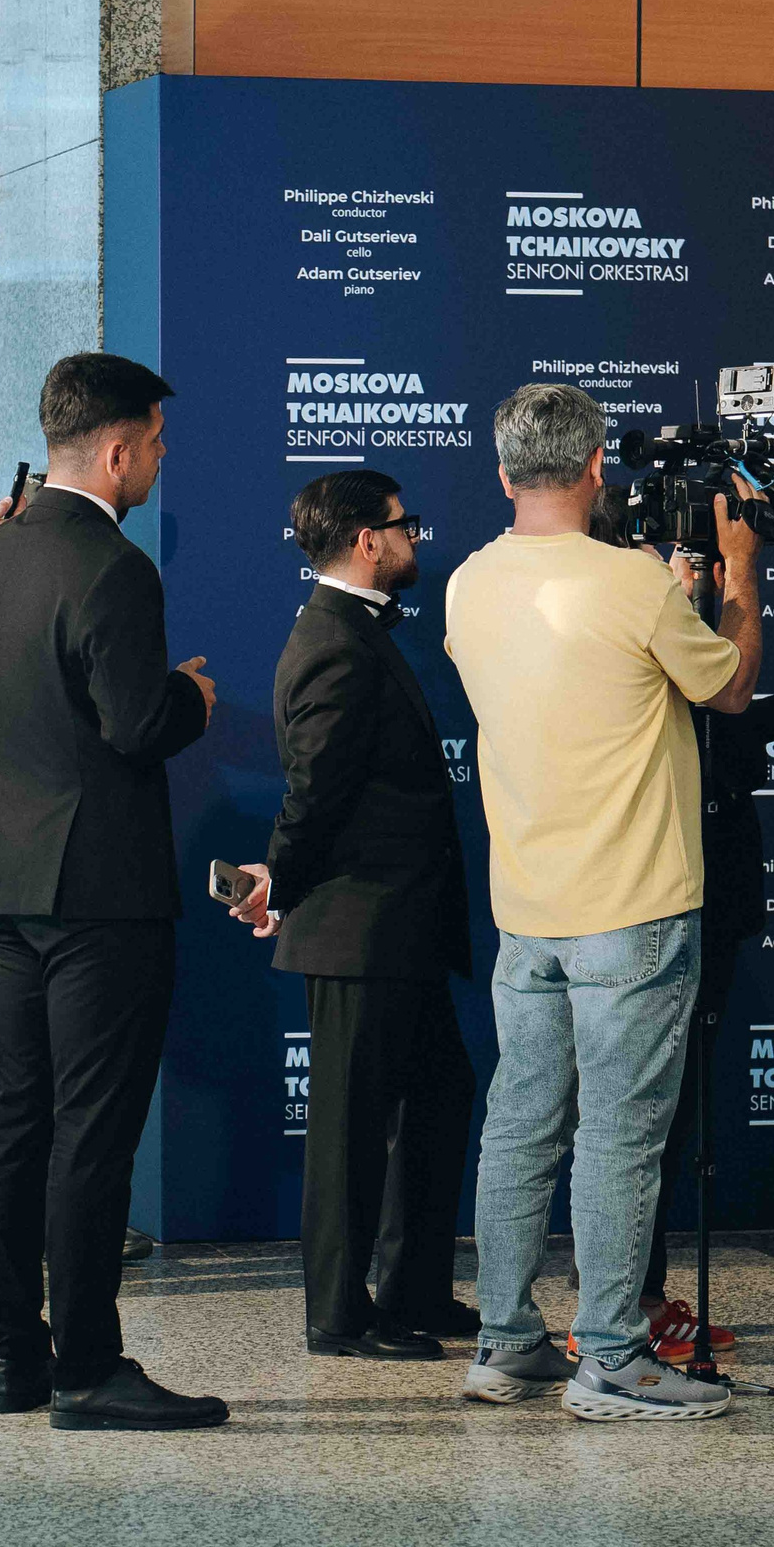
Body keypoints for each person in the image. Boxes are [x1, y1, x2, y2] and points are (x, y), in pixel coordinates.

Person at [443, 383, 763, 1423]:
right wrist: (738, 580)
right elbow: (726, 688)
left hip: (526, 907)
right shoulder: (633, 586)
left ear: (502, 476)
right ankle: (614, 1362)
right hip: (632, 905)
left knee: (519, 1127)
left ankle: (503, 1343)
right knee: (621, 1139)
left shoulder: (468, 583)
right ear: (594, 471)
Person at [0, 351, 226, 1431]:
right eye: (154, 442)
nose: (158, 458)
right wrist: (191, 697)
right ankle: (88, 1368)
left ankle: (16, 1357)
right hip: (99, 890)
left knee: (15, 1116)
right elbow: (136, 725)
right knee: (92, 1133)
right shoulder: (114, 568)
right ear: (114, 449)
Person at [579, 486, 774, 1358]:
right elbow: (715, 707)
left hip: (695, 895)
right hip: (663, 895)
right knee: (641, 1113)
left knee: (662, 1111)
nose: (696, 567)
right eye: (682, 553)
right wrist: (741, 582)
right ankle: (614, 1313)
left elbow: (717, 727)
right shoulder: (624, 614)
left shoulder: (634, 612)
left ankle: (629, 1299)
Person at [224, 471, 478, 1360]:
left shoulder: (347, 631)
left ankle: (412, 1287)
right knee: (348, 1130)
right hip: (358, 928)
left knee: (441, 1097)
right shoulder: (335, 640)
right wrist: (279, 883)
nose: (417, 538)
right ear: (369, 540)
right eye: (406, 525)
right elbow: (316, 793)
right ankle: (336, 1313)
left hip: (396, 926)